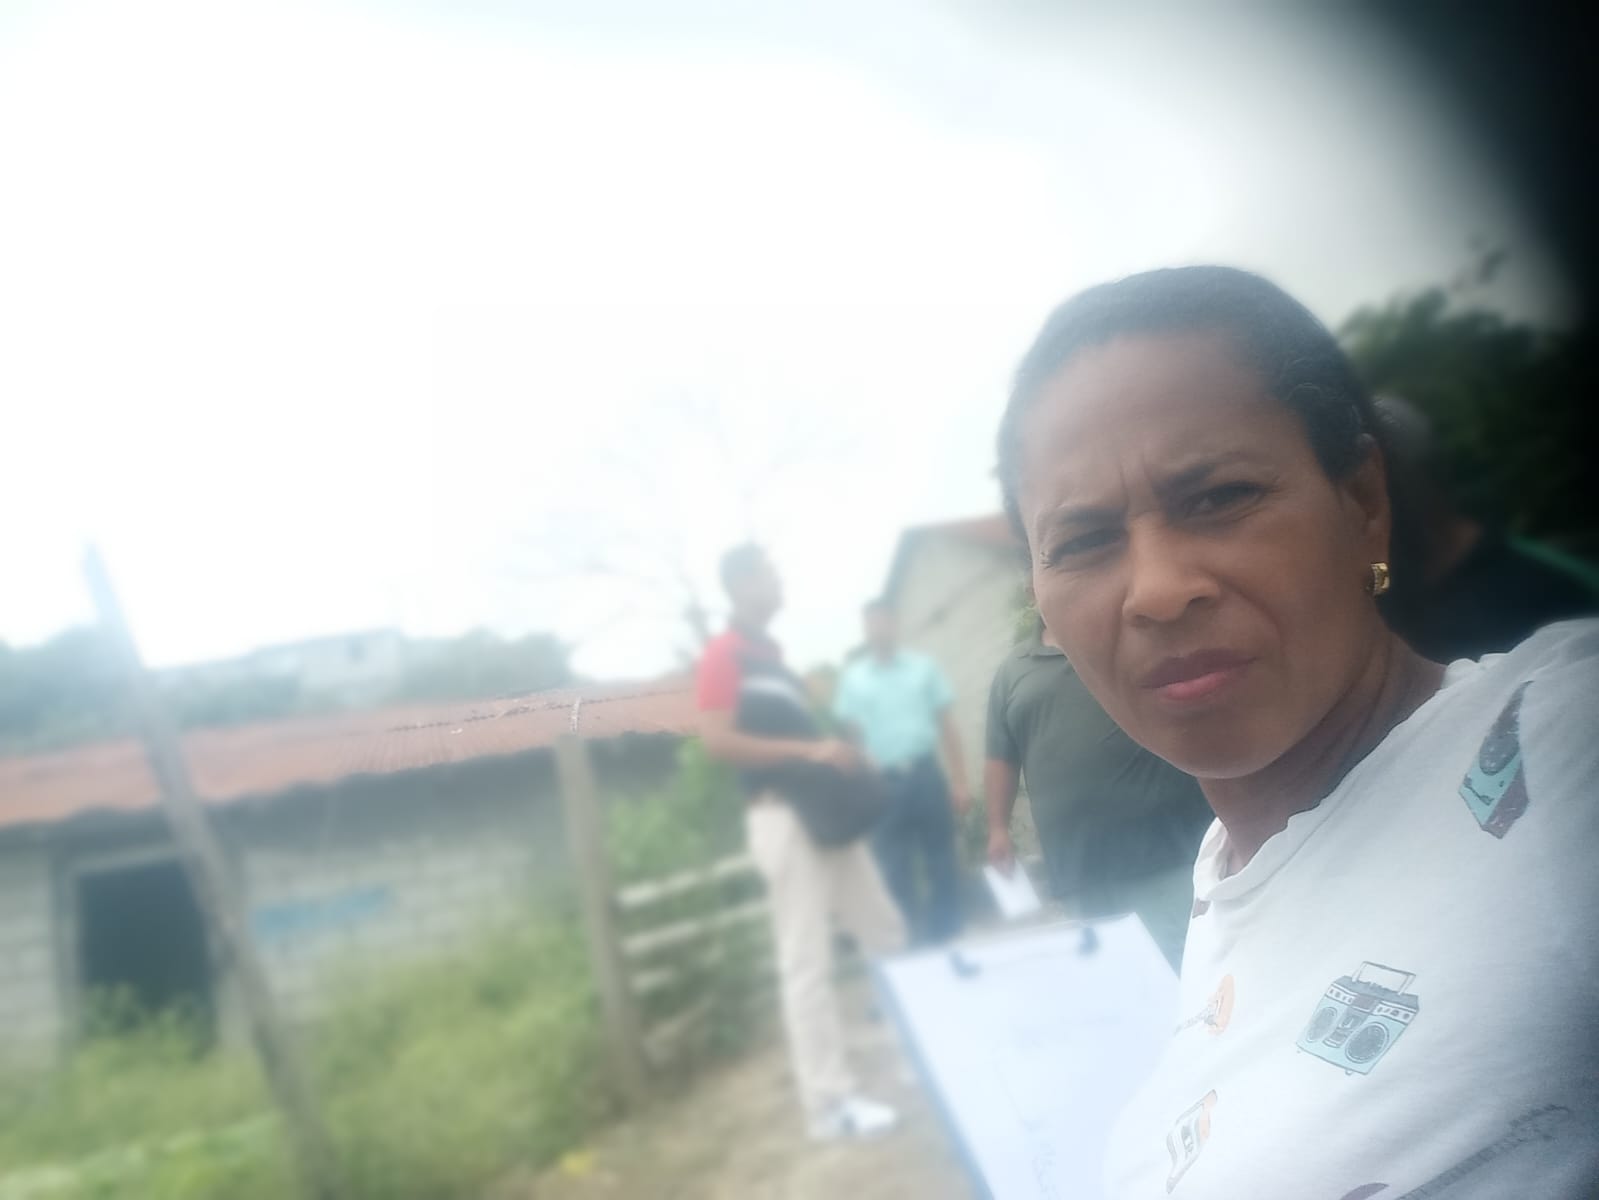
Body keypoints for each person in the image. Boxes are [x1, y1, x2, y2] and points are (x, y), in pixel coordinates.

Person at [994, 266, 1598, 1197]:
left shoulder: (1553, 752)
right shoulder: (1223, 872)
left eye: (1219, 495)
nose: (1157, 590)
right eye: (1079, 542)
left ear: (1362, 503)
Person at [695, 544, 905, 1141]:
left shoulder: (776, 660)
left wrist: (839, 752)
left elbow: (802, 742)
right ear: (741, 583)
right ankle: (829, 1106)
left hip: (823, 814)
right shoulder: (722, 655)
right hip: (782, 820)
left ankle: (915, 1051)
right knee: (806, 959)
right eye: (770, 573)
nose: (780, 581)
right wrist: (812, 750)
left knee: (884, 930)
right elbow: (716, 741)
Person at [985, 616, 1212, 970]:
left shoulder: (1129, 636)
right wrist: (998, 827)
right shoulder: (1011, 672)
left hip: (1164, 851)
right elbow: (1001, 757)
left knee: (1189, 968)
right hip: (1078, 866)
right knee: (1113, 973)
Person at [1374, 393, 1599, 662]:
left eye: (1387, 483)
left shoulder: (1552, 587)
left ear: (1433, 472)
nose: (1374, 505)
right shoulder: (1382, 596)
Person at [832, 598, 970, 944]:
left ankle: (947, 938)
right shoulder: (854, 680)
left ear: (894, 624)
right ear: (865, 629)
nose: (878, 628)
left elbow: (947, 726)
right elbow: (852, 740)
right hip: (882, 785)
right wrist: (857, 793)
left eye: (884, 620)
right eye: (871, 622)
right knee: (893, 869)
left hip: (925, 774)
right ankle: (911, 946)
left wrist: (959, 780)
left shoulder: (923, 668)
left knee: (942, 858)